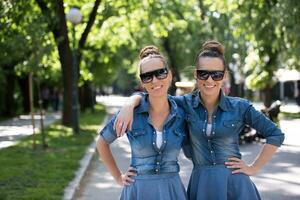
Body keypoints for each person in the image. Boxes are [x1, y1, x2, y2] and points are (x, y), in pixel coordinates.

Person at [114, 41, 285, 200]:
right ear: (196, 74)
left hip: (236, 185)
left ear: (225, 76)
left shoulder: (240, 107)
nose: (209, 80)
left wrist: (253, 167)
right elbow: (154, 95)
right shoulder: (183, 104)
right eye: (204, 74)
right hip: (201, 184)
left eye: (216, 75)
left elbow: (275, 135)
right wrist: (131, 102)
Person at [97, 45, 188, 200]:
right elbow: (102, 142)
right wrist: (118, 177)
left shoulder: (183, 111)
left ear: (170, 75)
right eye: (148, 76)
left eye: (160, 73)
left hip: (171, 190)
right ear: (142, 82)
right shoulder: (131, 113)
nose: (155, 80)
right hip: (138, 191)